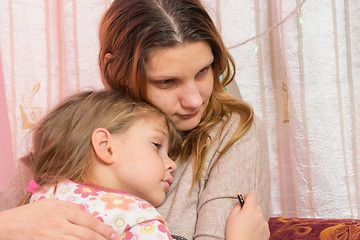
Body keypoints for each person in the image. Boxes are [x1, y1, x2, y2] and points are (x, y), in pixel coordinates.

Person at [0, 0, 271, 239]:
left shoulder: (231, 132)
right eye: (167, 81)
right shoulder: (69, 139)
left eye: (203, 71)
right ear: (116, 71)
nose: (195, 100)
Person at [19, 90, 182, 239]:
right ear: (105, 146)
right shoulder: (138, 219)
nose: (172, 165)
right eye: (156, 145)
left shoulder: (41, 200)